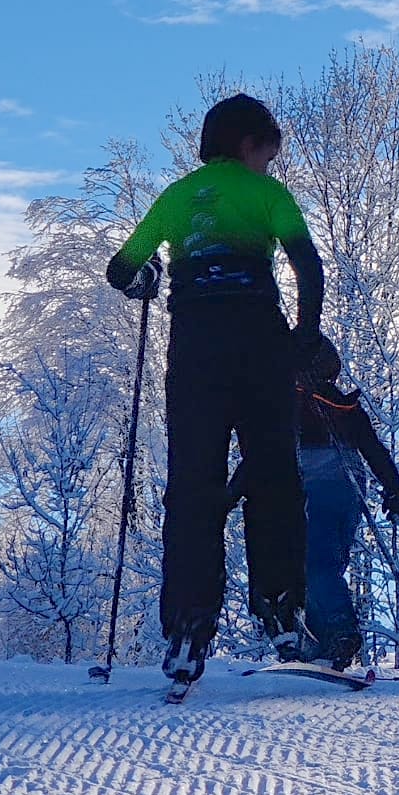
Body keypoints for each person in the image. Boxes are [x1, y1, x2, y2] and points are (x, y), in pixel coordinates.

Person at [105, 93, 326, 688]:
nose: (269, 165)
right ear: (247, 144)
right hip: (259, 339)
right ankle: (281, 612)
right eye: (267, 152)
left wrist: (148, 276)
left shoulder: (177, 196)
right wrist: (305, 335)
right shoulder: (269, 196)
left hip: (196, 346)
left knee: (194, 482)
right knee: (274, 472)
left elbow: (122, 269)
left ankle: (186, 631)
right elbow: (308, 266)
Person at [293, 337, 399, 671]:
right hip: (349, 497)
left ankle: (340, 633)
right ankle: (324, 644)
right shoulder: (348, 407)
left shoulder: (297, 402)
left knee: (314, 566)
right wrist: (394, 490)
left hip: (315, 491)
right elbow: (374, 450)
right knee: (327, 566)